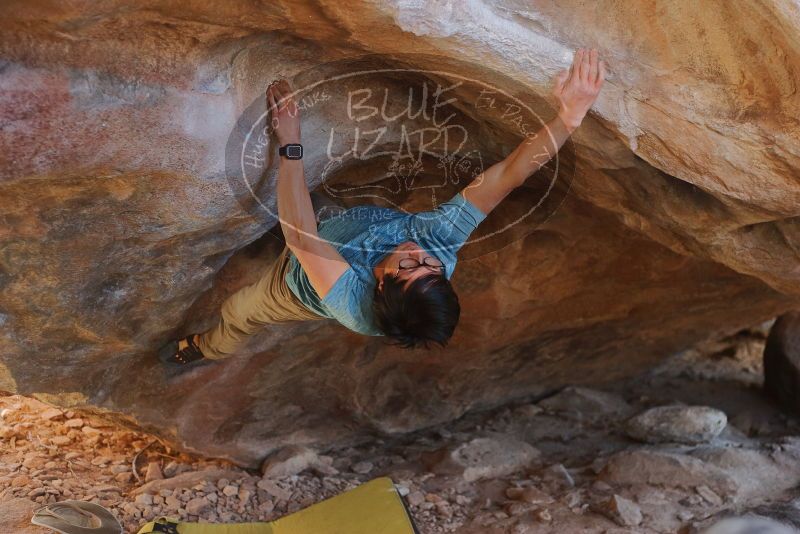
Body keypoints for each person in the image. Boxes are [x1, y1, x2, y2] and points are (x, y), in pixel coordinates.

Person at [159, 47, 606, 365]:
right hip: (355, 221)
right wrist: (570, 116)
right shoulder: (437, 249)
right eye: (431, 267)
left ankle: (205, 349)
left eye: (409, 268)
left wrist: (291, 142)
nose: (421, 255)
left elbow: (299, 232)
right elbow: (508, 176)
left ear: (377, 286)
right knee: (347, 199)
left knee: (239, 312)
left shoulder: (350, 302)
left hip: (296, 280)